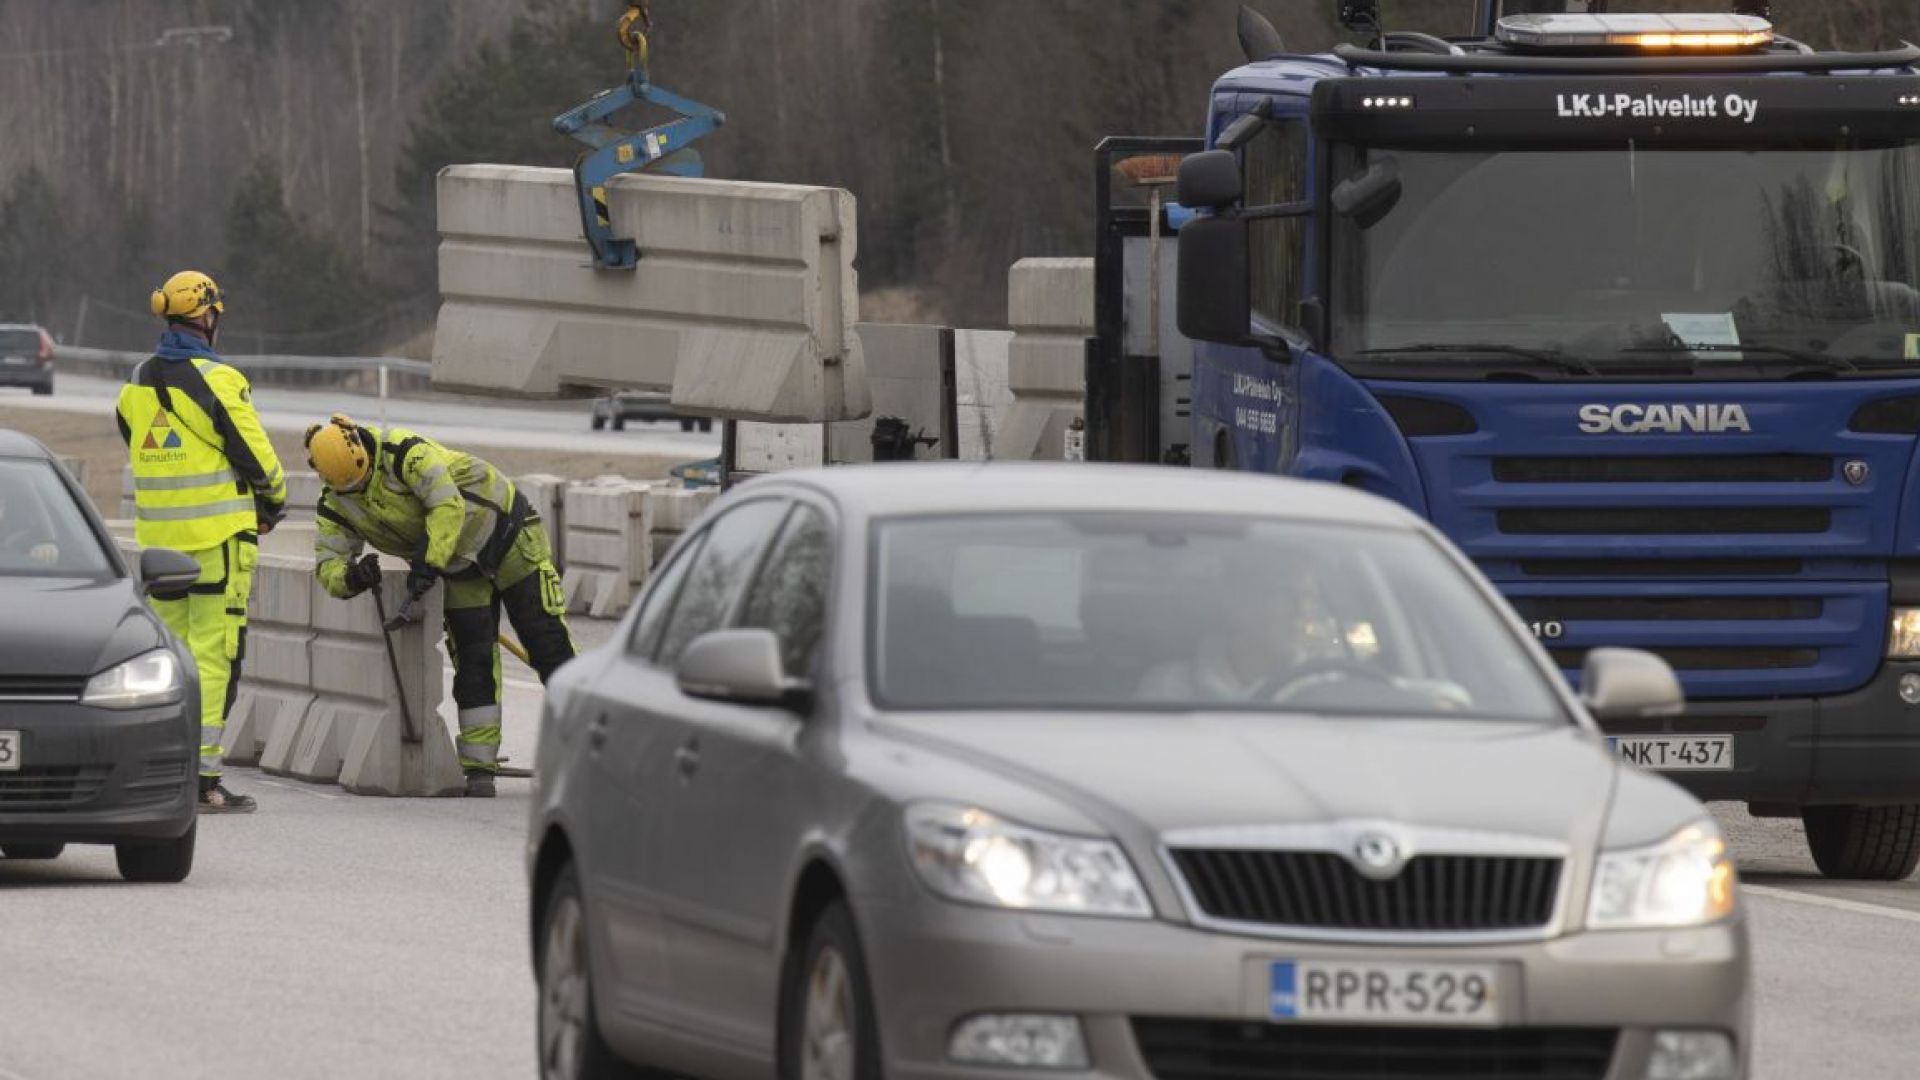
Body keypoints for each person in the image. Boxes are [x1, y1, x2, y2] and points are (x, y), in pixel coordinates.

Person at [304, 414, 575, 797]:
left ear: (360, 448)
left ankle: (589, 750)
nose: (360, 487)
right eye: (350, 486)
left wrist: (428, 564)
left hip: (508, 536)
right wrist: (351, 577)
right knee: (473, 658)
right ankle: (479, 769)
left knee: (545, 641)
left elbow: (446, 504)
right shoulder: (337, 501)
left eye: (362, 476)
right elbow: (327, 563)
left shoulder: (405, 452)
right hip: (460, 565)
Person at [116, 271, 287, 813]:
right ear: (207, 316)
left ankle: (160, 770)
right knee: (216, 658)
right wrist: (273, 502)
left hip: (161, 549)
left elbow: (130, 433)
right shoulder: (218, 378)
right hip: (217, 543)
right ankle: (201, 780)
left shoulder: (135, 383)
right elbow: (258, 458)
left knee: (168, 656)